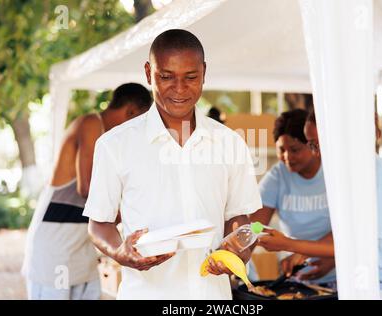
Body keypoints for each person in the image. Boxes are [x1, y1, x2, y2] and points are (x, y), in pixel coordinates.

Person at [83, 29, 262, 300]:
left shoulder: (230, 143)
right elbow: (99, 224)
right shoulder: (114, 144)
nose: (179, 89)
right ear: (148, 73)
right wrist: (119, 252)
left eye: (191, 77)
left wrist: (238, 249)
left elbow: (242, 220)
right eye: (166, 77)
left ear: (204, 72)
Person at [259, 109, 382, 299]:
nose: (317, 154)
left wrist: (290, 244)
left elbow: (355, 242)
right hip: (366, 282)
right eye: (312, 145)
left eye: (319, 144)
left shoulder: (376, 172)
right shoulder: (347, 175)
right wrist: (304, 252)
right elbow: (344, 232)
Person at [22, 83, 152, 300]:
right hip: (55, 247)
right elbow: (87, 188)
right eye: (141, 119)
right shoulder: (92, 123)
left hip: (82, 251)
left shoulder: (114, 144)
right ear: (131, 112)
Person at [250, 109, 336, 285]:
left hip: (340, 273)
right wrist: (258, 233)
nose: (287, 157)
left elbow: (348, 228)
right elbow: (255, 225)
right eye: (282, 150)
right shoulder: (277, 177)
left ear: (313, 145)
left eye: (295, 149)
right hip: (296, 278)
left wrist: (332, 258)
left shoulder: (334, 173)